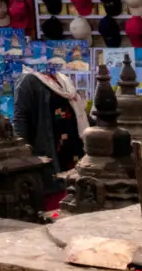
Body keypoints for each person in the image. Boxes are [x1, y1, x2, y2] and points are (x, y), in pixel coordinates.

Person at [11, 64, 89, 210]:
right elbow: (21, 118)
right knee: (56, 201)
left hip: (72, 149)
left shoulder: (62, 79)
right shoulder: (29, 80)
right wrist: (23, 152)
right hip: (51, 151)